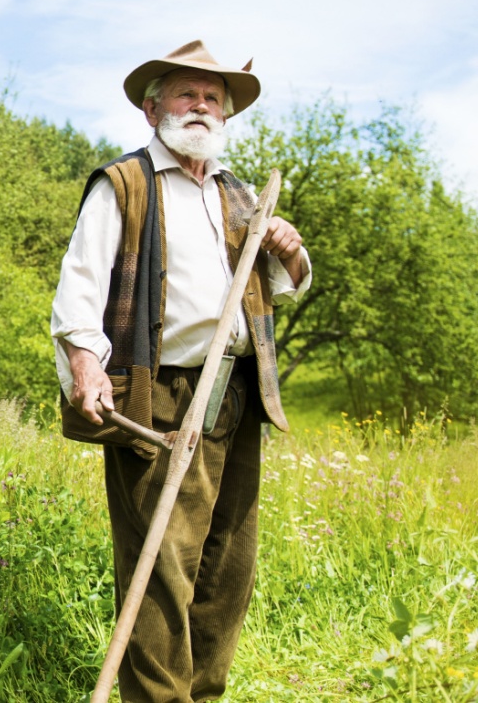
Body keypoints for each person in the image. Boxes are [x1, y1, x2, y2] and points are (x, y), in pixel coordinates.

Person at [51, 40, 311, 702]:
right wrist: (85, 365)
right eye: (187, 94)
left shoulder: (238, 195)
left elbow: (281, 288)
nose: (202, 107)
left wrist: (288, 248)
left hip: (236, 395)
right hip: (157, 394)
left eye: (212, 99)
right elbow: (79, 287)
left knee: (227, 566)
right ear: (152, 108)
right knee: (162, 567)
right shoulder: (125, 185)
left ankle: (199, 695)